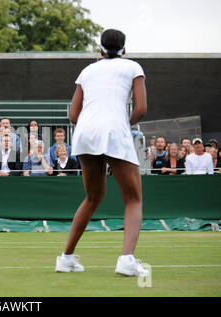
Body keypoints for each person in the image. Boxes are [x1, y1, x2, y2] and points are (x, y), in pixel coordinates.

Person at [55, 29, 149, 277]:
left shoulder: (87, 71)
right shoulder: (133, 67)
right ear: (124, 50)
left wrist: (94, 127)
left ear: (100, 50)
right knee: (133, 199)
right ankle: (127, 260)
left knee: (92, 197)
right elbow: (141, 108)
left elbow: (73, 116)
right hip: (114, 131)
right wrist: (121, 124)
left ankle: (66, 259)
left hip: (85, 132)